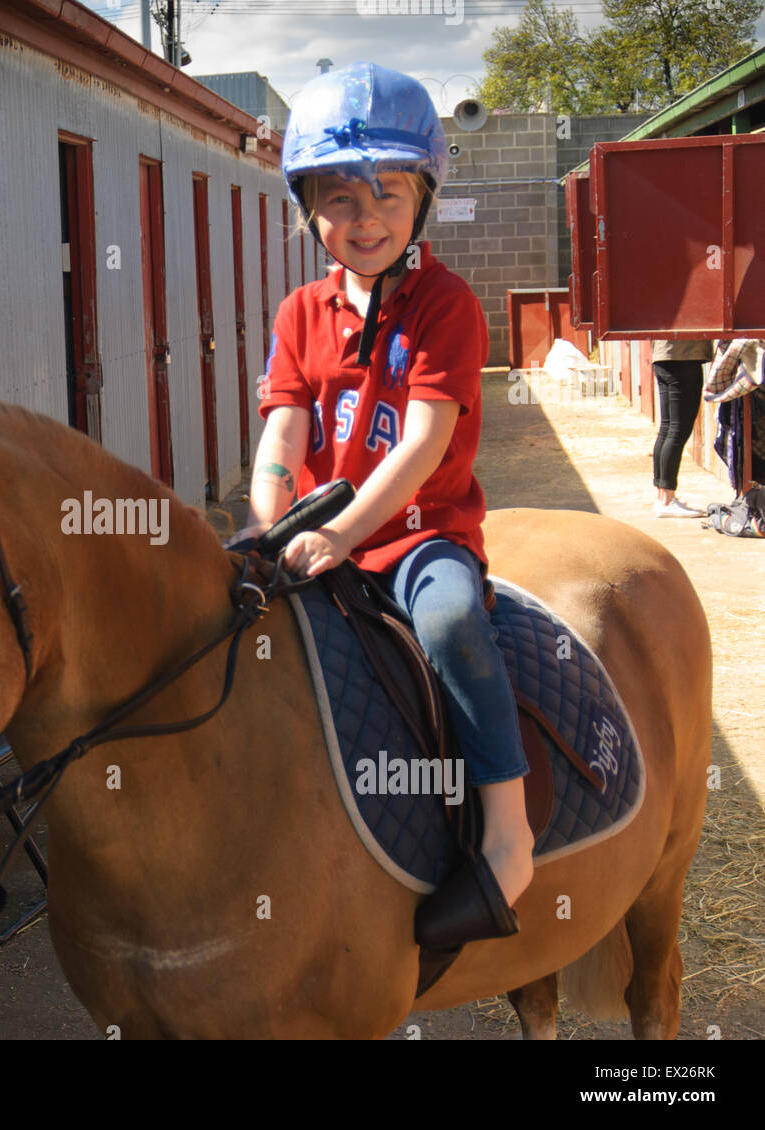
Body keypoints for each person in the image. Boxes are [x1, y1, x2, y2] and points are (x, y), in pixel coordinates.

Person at [239, 62, 532, 950]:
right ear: (309, 209)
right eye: (338, 199)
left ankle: (508, 832)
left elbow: (421, 447)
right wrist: (266, 521)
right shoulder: (299, 310)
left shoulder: (447, 304)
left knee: (447, 623)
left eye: (386, 196)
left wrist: (339, 532)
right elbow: (282, 439)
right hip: (319, 534)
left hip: (416, 536)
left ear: (423, 202)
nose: (362, 220)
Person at [651, 339, 712, 517]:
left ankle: (663, 496)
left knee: (667, 428)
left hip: (663, 357)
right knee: (678, 430)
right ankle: (667, 500)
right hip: (683, 358)